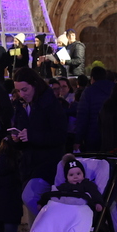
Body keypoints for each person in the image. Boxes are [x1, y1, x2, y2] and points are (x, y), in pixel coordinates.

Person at [10, 67, 68, 218]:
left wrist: (31, 136)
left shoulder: (50, 104)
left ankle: (54, 226)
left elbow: (60, 135)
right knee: (31, 209)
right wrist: (17, 139)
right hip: (29, 164)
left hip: (47, 164)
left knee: (30, 198)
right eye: (18, 91)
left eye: (25, 89)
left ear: (34, 85)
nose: (22, 94)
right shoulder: (23, 105)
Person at [74, 66, 113, 152]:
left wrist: (78, 139)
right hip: (113, 134)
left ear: (92, 78)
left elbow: (82, 116)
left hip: (93, 134)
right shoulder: (114, 89)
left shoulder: (88, 92)